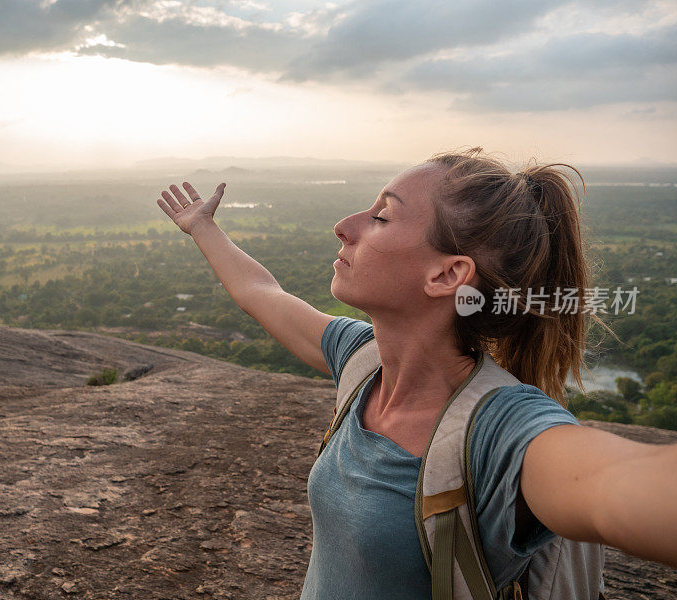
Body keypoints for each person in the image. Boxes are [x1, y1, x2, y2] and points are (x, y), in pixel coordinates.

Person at [156, 148, 677, 599]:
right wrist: (202, 226)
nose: (345, 225)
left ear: (448, 274)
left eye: (381, 217)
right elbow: (262, 294)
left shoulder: (500, 435)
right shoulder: (361, 362)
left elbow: (619, 488)